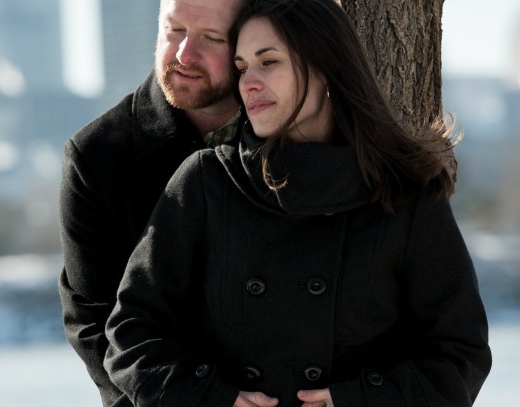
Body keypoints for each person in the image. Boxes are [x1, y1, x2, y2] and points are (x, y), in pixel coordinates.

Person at [104, 0, 492, 406]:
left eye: (268, 62)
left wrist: (357, 400)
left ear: (326, 68)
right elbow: (131, 333)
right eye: (242, 68)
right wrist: (211, 399)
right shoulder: (205, 184)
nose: (248, 84)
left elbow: (460, 354)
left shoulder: (403, 195)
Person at [57, 0, 247, 405]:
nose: (184, 54)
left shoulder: (301, 131)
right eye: (174, 30)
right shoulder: (96, 157)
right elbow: (95, 328)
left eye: (211, 38)